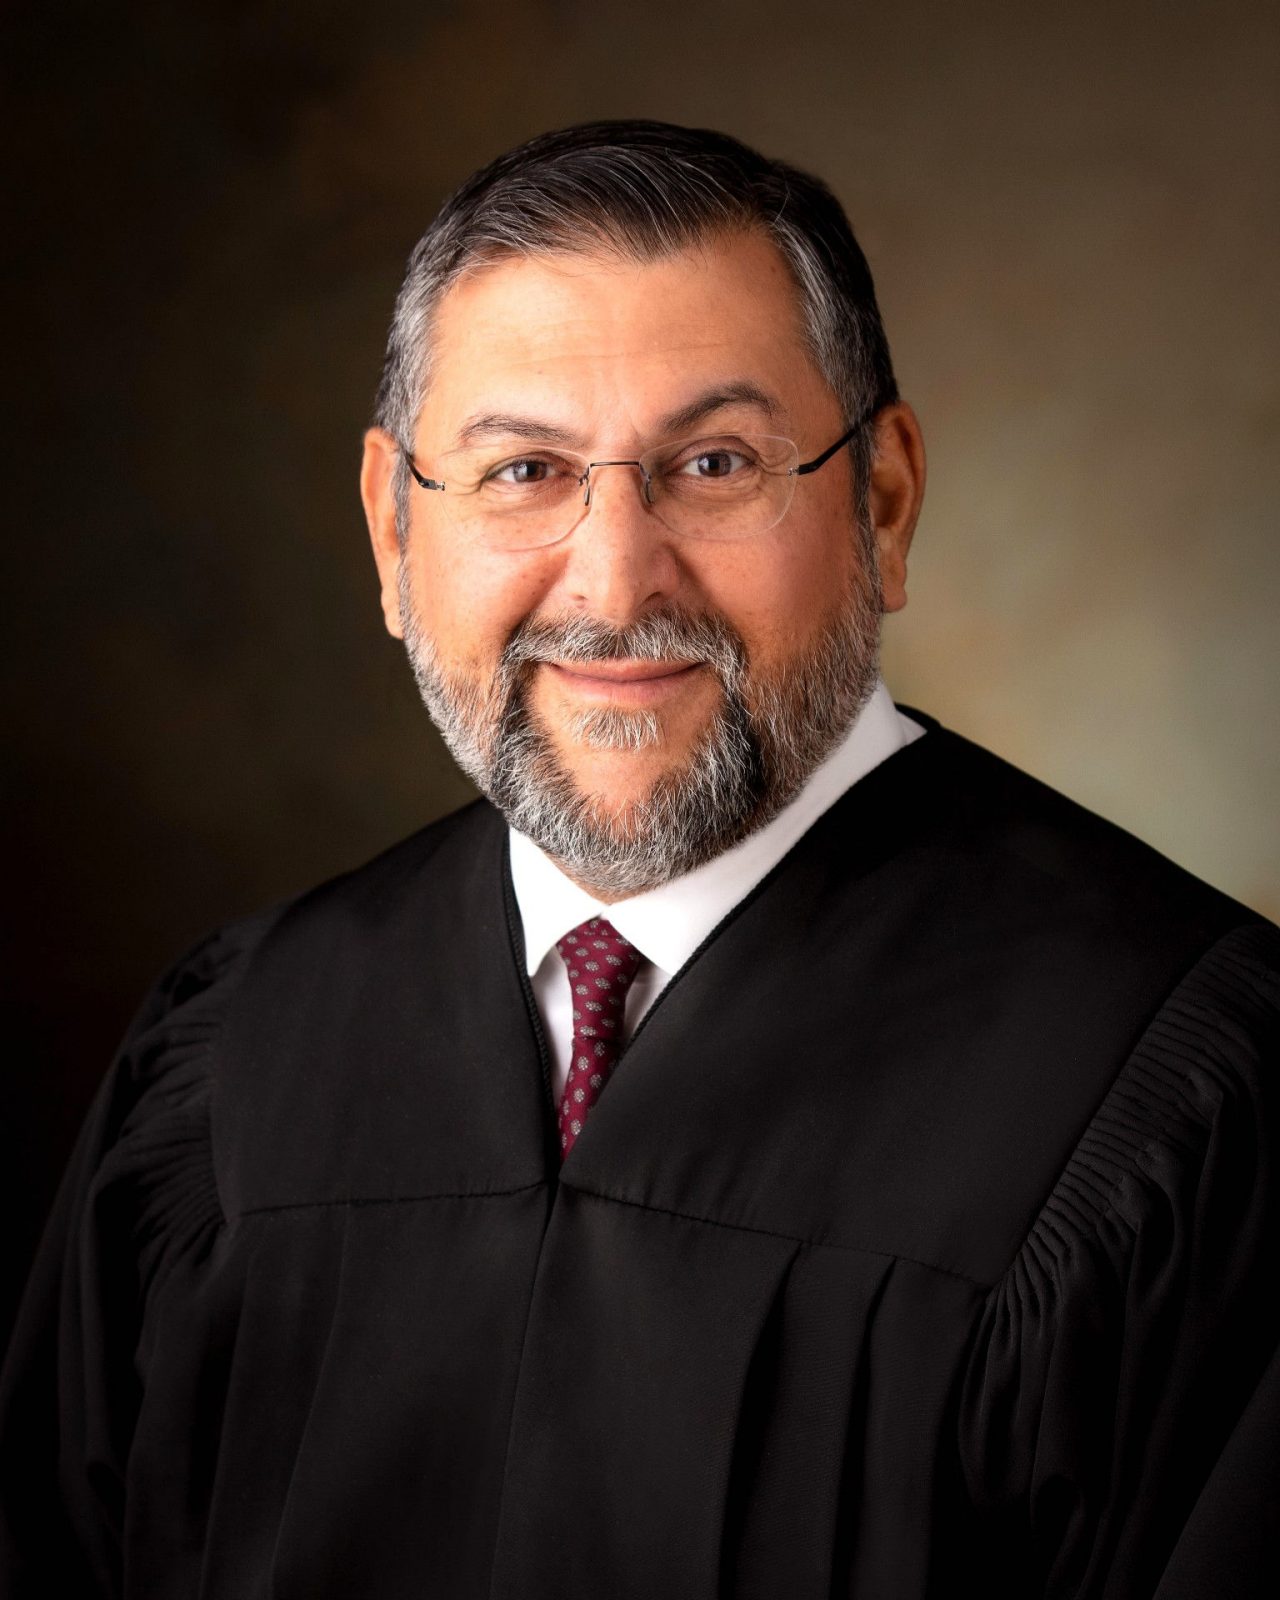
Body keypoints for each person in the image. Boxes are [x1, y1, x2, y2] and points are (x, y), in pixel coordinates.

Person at [1, 120, 1276, 1600]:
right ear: (393, 533)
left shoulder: (1184, 1095)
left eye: (715, 464)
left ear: (883, 501)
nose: (615, 583)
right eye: (524, 470)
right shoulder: (236, 1060)